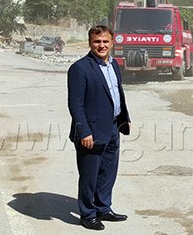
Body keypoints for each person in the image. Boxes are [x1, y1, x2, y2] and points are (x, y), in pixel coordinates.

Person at [67, 25, 131, 231]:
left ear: (112, 43)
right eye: (97, 42)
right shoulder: (80, 68)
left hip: (113, 127)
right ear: (90, 43)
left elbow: (117, 93)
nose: (101, 45)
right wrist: (84, 131)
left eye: (105, 41)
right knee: (89, 175)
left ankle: (103, 207)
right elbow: (75, 104)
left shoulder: (114, 65)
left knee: (108, 171)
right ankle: (87, 214)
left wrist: (124, 118)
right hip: (91, 132)